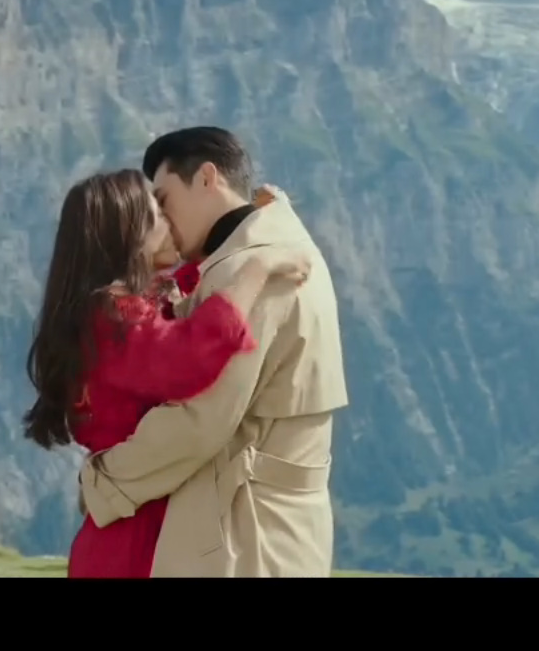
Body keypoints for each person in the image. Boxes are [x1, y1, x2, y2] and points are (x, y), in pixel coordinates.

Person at [78, 127, 349, 577]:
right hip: (279, 522)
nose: (162, 220)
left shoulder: (248, 269)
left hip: (244, 533)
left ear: (207, 178)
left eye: (164, 200)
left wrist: (104, 481)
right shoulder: (285, 243)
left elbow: (200, 421)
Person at [22, 168, 310, 578]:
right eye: (157, 211)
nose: (171, 220)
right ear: (131, 233)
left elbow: (191, 286)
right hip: (138, 535)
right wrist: (257, 269)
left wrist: (252, 222)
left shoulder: (105, 314)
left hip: (126, 523)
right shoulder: (115, 320)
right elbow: (187, 356)